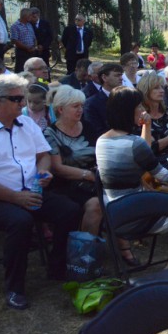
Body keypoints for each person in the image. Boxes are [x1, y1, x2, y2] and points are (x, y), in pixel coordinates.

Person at [0, 74, 81, 309]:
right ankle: (14, 288)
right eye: (16, 99)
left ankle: (57, 268)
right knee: (20, 221)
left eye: (22, 98)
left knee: (69, 210)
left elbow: (43, 155)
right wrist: (15, 197)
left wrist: (43, 172)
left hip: (28, 190)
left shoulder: (26, 124)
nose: (23, 103)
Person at [97, 87, 168, 270]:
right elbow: (162, 174)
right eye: (139, 106)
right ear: (128, 111)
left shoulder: (101, 141)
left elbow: (143, 153)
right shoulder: (133, 143)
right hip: (138, 216)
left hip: (115, 214)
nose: (143, 110)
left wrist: (146, 126)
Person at [44, 86, 102, 236]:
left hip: (94, 180)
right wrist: (88, 175)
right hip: (66, 184)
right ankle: (83, 247)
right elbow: (57, 168)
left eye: (81, 106)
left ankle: (121, 245)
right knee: (95, 205)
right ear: (61, 109)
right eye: (75, 106)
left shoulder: (88, 127)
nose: (80, 110)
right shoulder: (50, 134)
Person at [138, 72, 168, 178]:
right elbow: (150, 148)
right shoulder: (141, 117)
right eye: (156, 88)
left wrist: (161, 142)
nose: (161, 90)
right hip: (156, 167)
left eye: (162, 87)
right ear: (146, 91)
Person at [82, 63, 124, 143]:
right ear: (104, 77)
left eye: (121, 75)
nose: (121, 78)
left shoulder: (127, 99)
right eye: (117, 75)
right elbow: (94, 131)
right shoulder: (91, 104)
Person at [11, 8, 37, 73]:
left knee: (31, 70)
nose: (31, 17)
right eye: (30, 15)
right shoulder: (15, 26)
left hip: (31, 51)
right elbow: (15, 40)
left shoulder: (29, 25)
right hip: (22, 52)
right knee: (21, 70)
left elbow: (33, 37)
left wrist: (34, 46)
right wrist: (27, 48)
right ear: (25, 16)